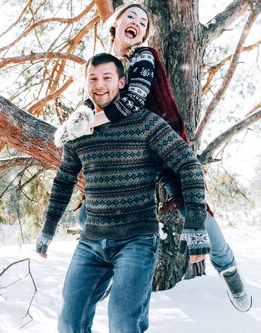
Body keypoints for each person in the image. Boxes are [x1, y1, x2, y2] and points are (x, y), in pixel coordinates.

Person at [55, 3, 252, 312]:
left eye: (143, 21)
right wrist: (73, 126)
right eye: (130, 16)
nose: (136, 22)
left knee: (192, 210)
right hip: (124, 151)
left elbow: (133, 101)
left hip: (158, 140)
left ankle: (228, 267)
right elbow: (88, 104)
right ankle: (108, 272)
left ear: (144, 34)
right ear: (116, 23)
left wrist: (89, 124)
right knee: (86, 216)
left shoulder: (143, 57)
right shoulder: (101, 64)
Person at [36, 53, 210, 333]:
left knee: (124, 324)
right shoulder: (78, 130)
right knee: (69, 324)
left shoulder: (145, 123)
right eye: (93, 78)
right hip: (91, 242)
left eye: (107, 77)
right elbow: (63, 180)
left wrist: (196, 225)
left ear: (121, 81)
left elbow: (189, 165)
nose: (99, 84)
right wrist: (48, 228)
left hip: (136, 241)